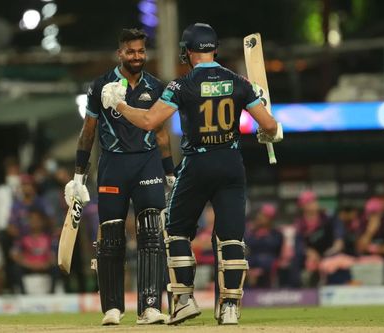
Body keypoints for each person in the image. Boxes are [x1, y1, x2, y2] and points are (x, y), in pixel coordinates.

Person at [100, 22, 282, 325]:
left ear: (187, 52)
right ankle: (230, 309)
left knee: (175, 229)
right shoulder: (239, 82)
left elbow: (147, 121)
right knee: (231, 238)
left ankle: (183, 300)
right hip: (231, 162)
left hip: (198, 163)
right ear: (214, 49)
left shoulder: (181, 85)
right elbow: (270, 126)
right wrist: (267, 130)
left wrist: (117, 103)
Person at [64, 28, 174, 325]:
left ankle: (150, 306)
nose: (137, 56)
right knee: (111, 236)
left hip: (148, 163)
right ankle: (112, 308)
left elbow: (161, 132)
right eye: (131, 51)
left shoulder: (156, 85)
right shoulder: (101, 86)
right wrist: (78, 175)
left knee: (152, 233)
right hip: (113, 165)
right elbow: (88, 132)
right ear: (120, 53)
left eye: (141, 51)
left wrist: (170, 173)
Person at [356, 197, 384, 284]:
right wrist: (370, 231)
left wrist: (379, 249)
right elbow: (360, 248)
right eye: (370, 213)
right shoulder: (362, 222)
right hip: (366, 254)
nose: (373, 216)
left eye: (375, 213)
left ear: (381, 212)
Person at [244, 204, 283, 288]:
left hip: (268, 264)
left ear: (270, 219)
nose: (260, 217)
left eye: (265, 216)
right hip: (251, 261)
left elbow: (277, 252)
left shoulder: (276, 234)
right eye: (260, 214)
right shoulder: (249, 232)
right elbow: (247, 247)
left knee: (266, 261)